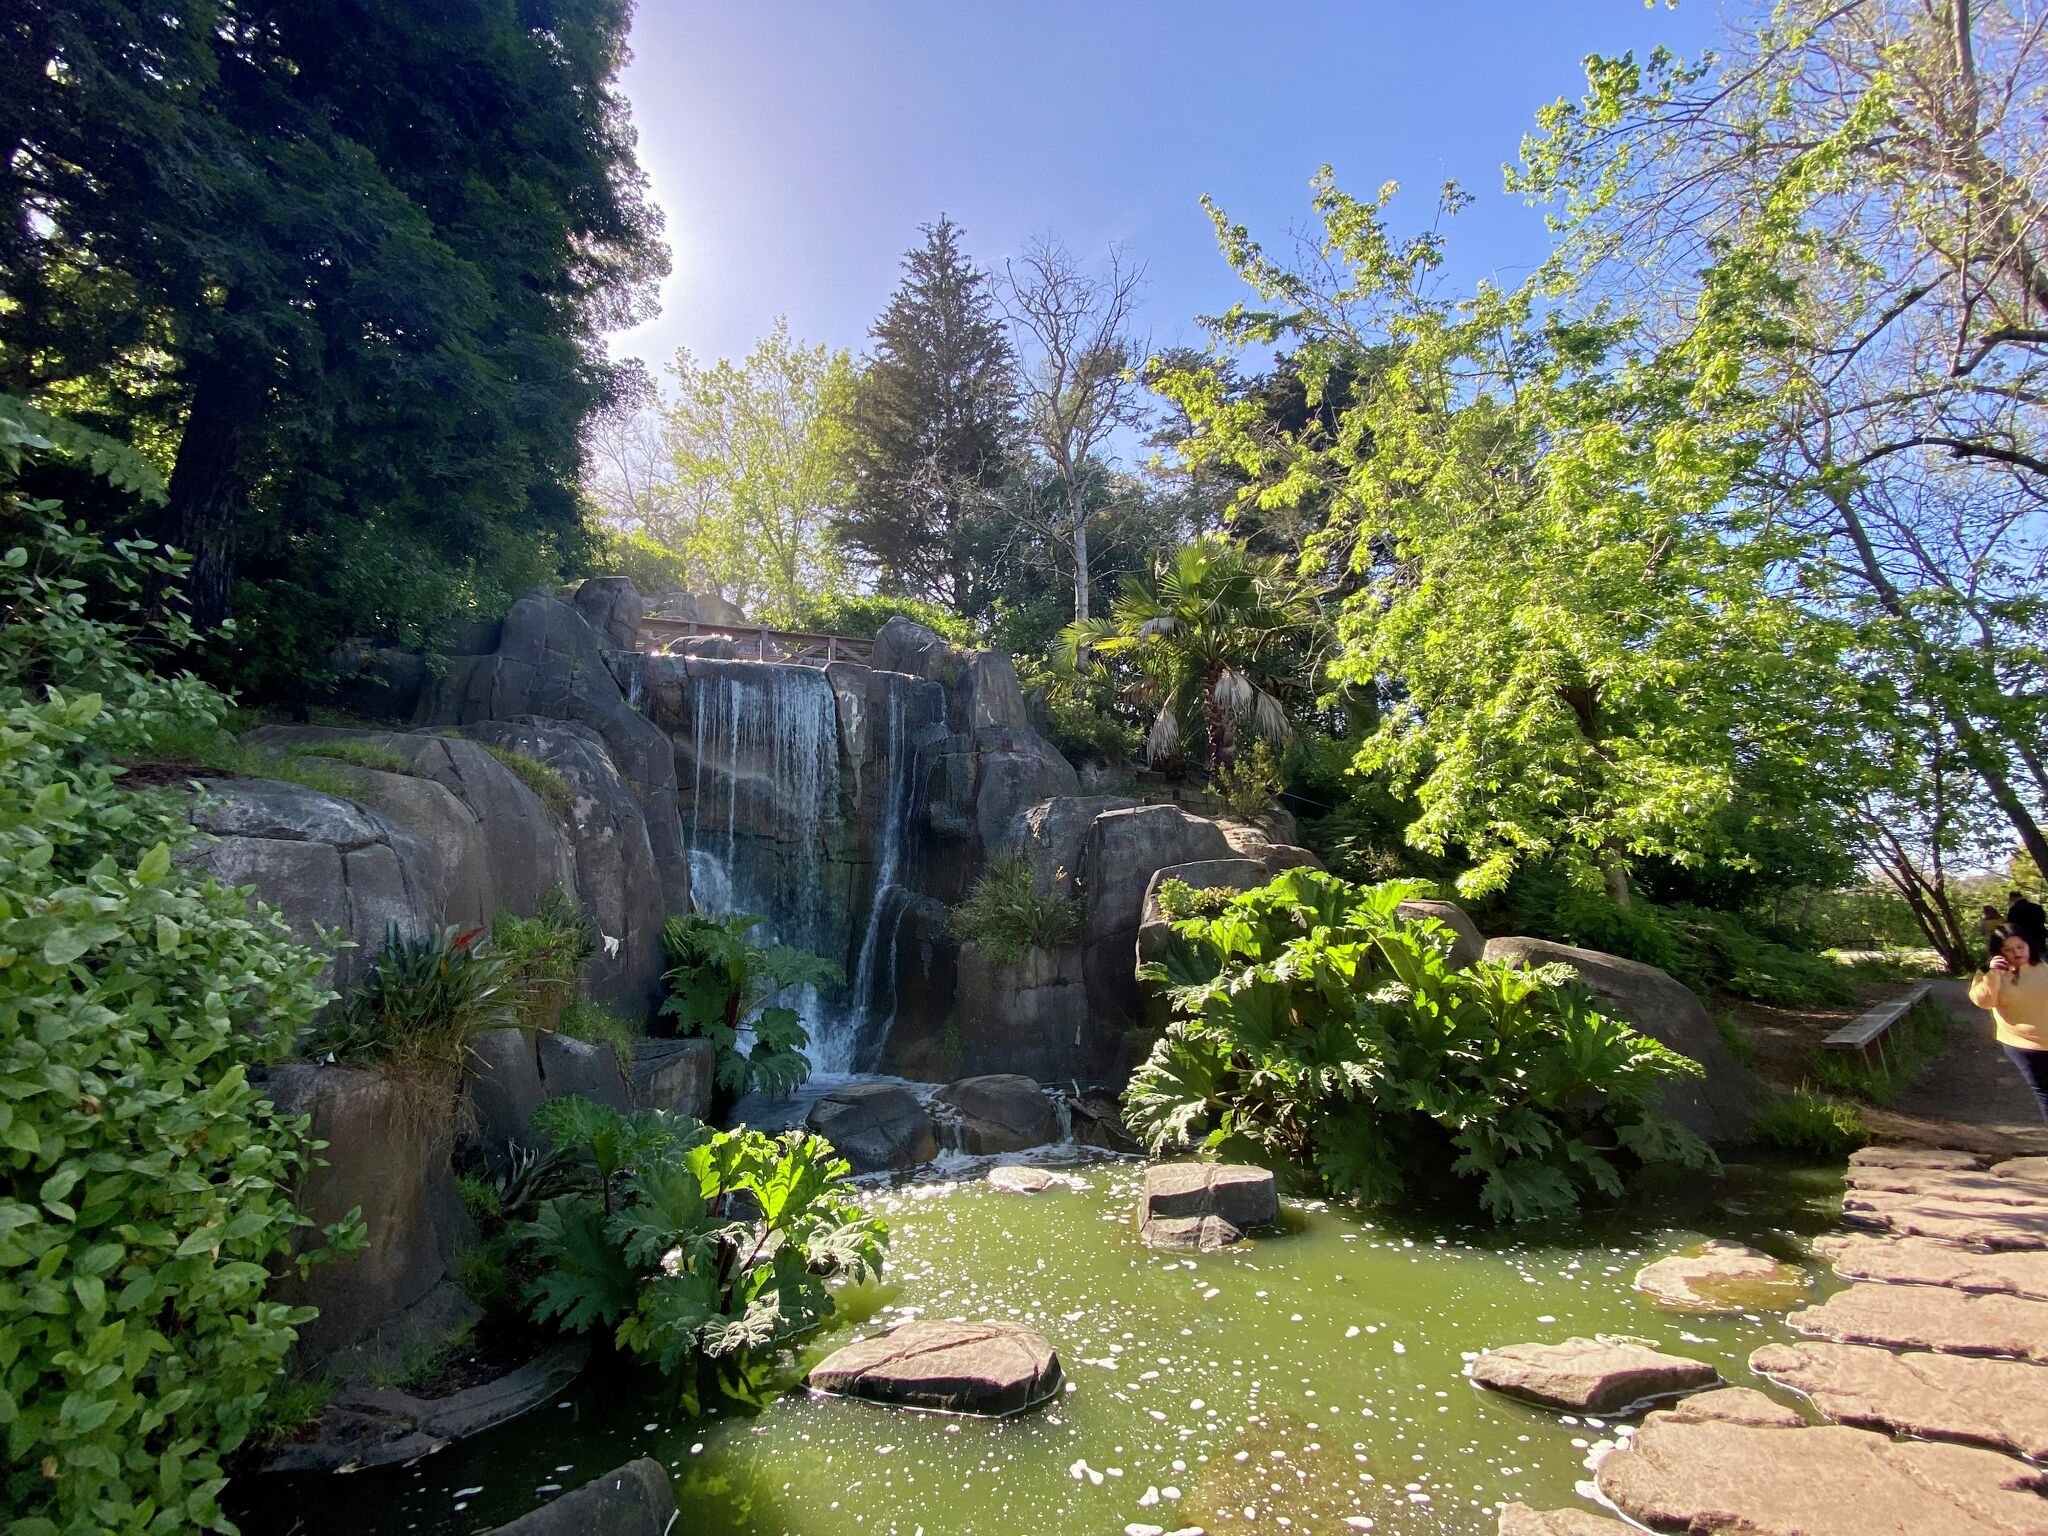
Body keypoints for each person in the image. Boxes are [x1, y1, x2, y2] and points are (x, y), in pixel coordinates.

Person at [1972, 924, 2048, 1125]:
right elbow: (1984, 1002)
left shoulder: (2043, 966)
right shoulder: (1987, 973)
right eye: (2008, 949)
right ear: (1998, 952)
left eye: (2020, 947)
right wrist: (1993, 973)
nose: (2017, 953)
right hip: (2024, 1046)